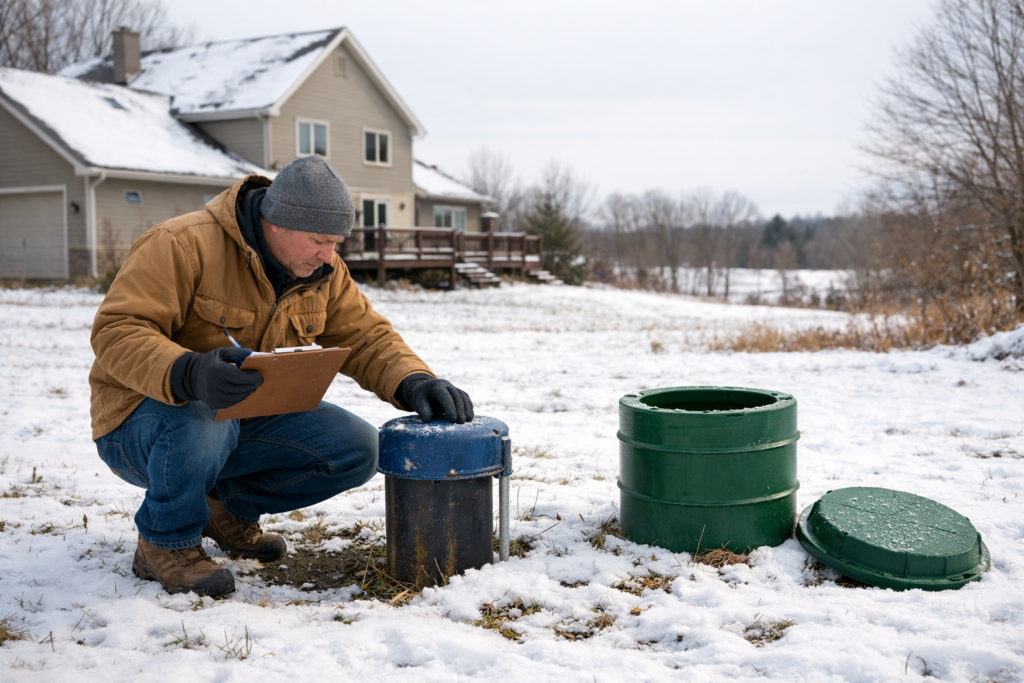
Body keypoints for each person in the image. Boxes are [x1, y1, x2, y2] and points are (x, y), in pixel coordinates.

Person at [89, 156, 473, 597]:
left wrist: (416, 381)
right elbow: (117, 331)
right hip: (138, 423)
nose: (328, 255)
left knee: (357, 449)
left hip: (239, 416)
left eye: (335, 242)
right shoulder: (181, 244)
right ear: (275, 222)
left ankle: (223, 508)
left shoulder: (321, 270)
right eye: (318, 240)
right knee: (201, 417)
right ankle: (164, 542)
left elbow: (366, 336)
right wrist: (188, 371)